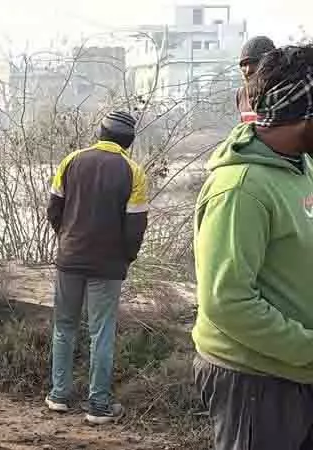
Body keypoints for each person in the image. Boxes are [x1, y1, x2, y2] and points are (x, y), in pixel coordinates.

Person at [193, 44, 313, 449]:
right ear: (305, 115)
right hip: (256, 382)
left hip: (298, 370)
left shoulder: (302, 168)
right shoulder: (241, 189)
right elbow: (227, 300)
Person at [45, 111, 148, 424]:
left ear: (100, 131)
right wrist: (125, 258)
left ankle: (59, 395)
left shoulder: (71, 160)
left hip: (69, 259)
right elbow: (135, 227)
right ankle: (98, 405)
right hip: (108, 266)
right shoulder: (134, 172)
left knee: (64, 327)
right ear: (129, 141)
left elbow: (54, 210)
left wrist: (67, 239)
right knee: (101, 333)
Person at [236, 36, 275, 123]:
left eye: (255, 62)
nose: (248, 70)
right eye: (244, 64)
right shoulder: (241, 94)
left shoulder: (282, 93)